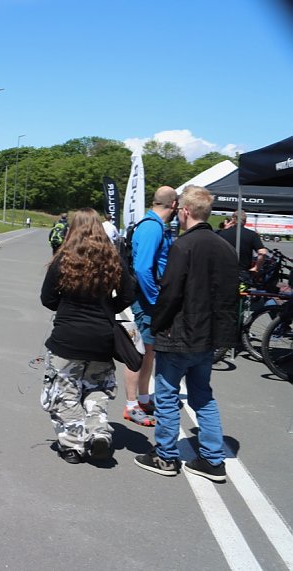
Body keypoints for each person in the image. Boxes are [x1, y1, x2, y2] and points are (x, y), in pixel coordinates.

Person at [134, 185, 238, 482]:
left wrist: (157, 324)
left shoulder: (184, 246)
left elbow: (170, 293)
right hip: (207, 337)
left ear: (185, 211)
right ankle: (213, 459)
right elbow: (230, 297)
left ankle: (166, 456)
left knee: (166, 396)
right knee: (203, 397)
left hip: (178, 333)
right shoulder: (225, 247)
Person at [40, 208, 136, 464]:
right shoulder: (113, 259)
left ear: (73, 229)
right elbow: (129, 295)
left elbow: (47, 298)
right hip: (101, 340)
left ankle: (73, 445)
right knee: (96, 388)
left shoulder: (64, 259)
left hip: (67, 339)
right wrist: (108, 310)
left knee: (65, 392)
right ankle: (98, 431)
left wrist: (66, 307)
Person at [123, 186, 177, 427]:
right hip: (147, 303)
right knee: (138, 353)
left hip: (148, 301)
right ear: (174, 205)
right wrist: (157, 302)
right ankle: (131, 404)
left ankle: (143, 398)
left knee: (148, 353)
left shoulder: (152, 224)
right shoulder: (152, 227)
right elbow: (144, 268)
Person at [216, 211, 268, 286]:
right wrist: (256, 268)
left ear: (233, 220)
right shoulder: (252, 234)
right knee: (241, 295)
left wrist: (225, 229)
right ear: (245, 221)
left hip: (223, 272)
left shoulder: (221, 234)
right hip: (243, 273)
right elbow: (262, 253)